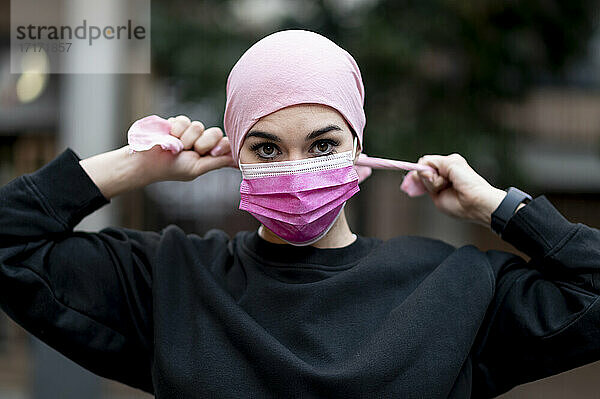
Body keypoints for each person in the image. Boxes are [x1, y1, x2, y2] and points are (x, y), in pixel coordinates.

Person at [1, 29, 599, 399]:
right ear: (235, 154)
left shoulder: (454, 286)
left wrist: (501, 206)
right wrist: (139, 166)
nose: (295, 169)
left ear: (359, 150)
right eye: (265, 148)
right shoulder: (169, 279)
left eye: (321, 146)